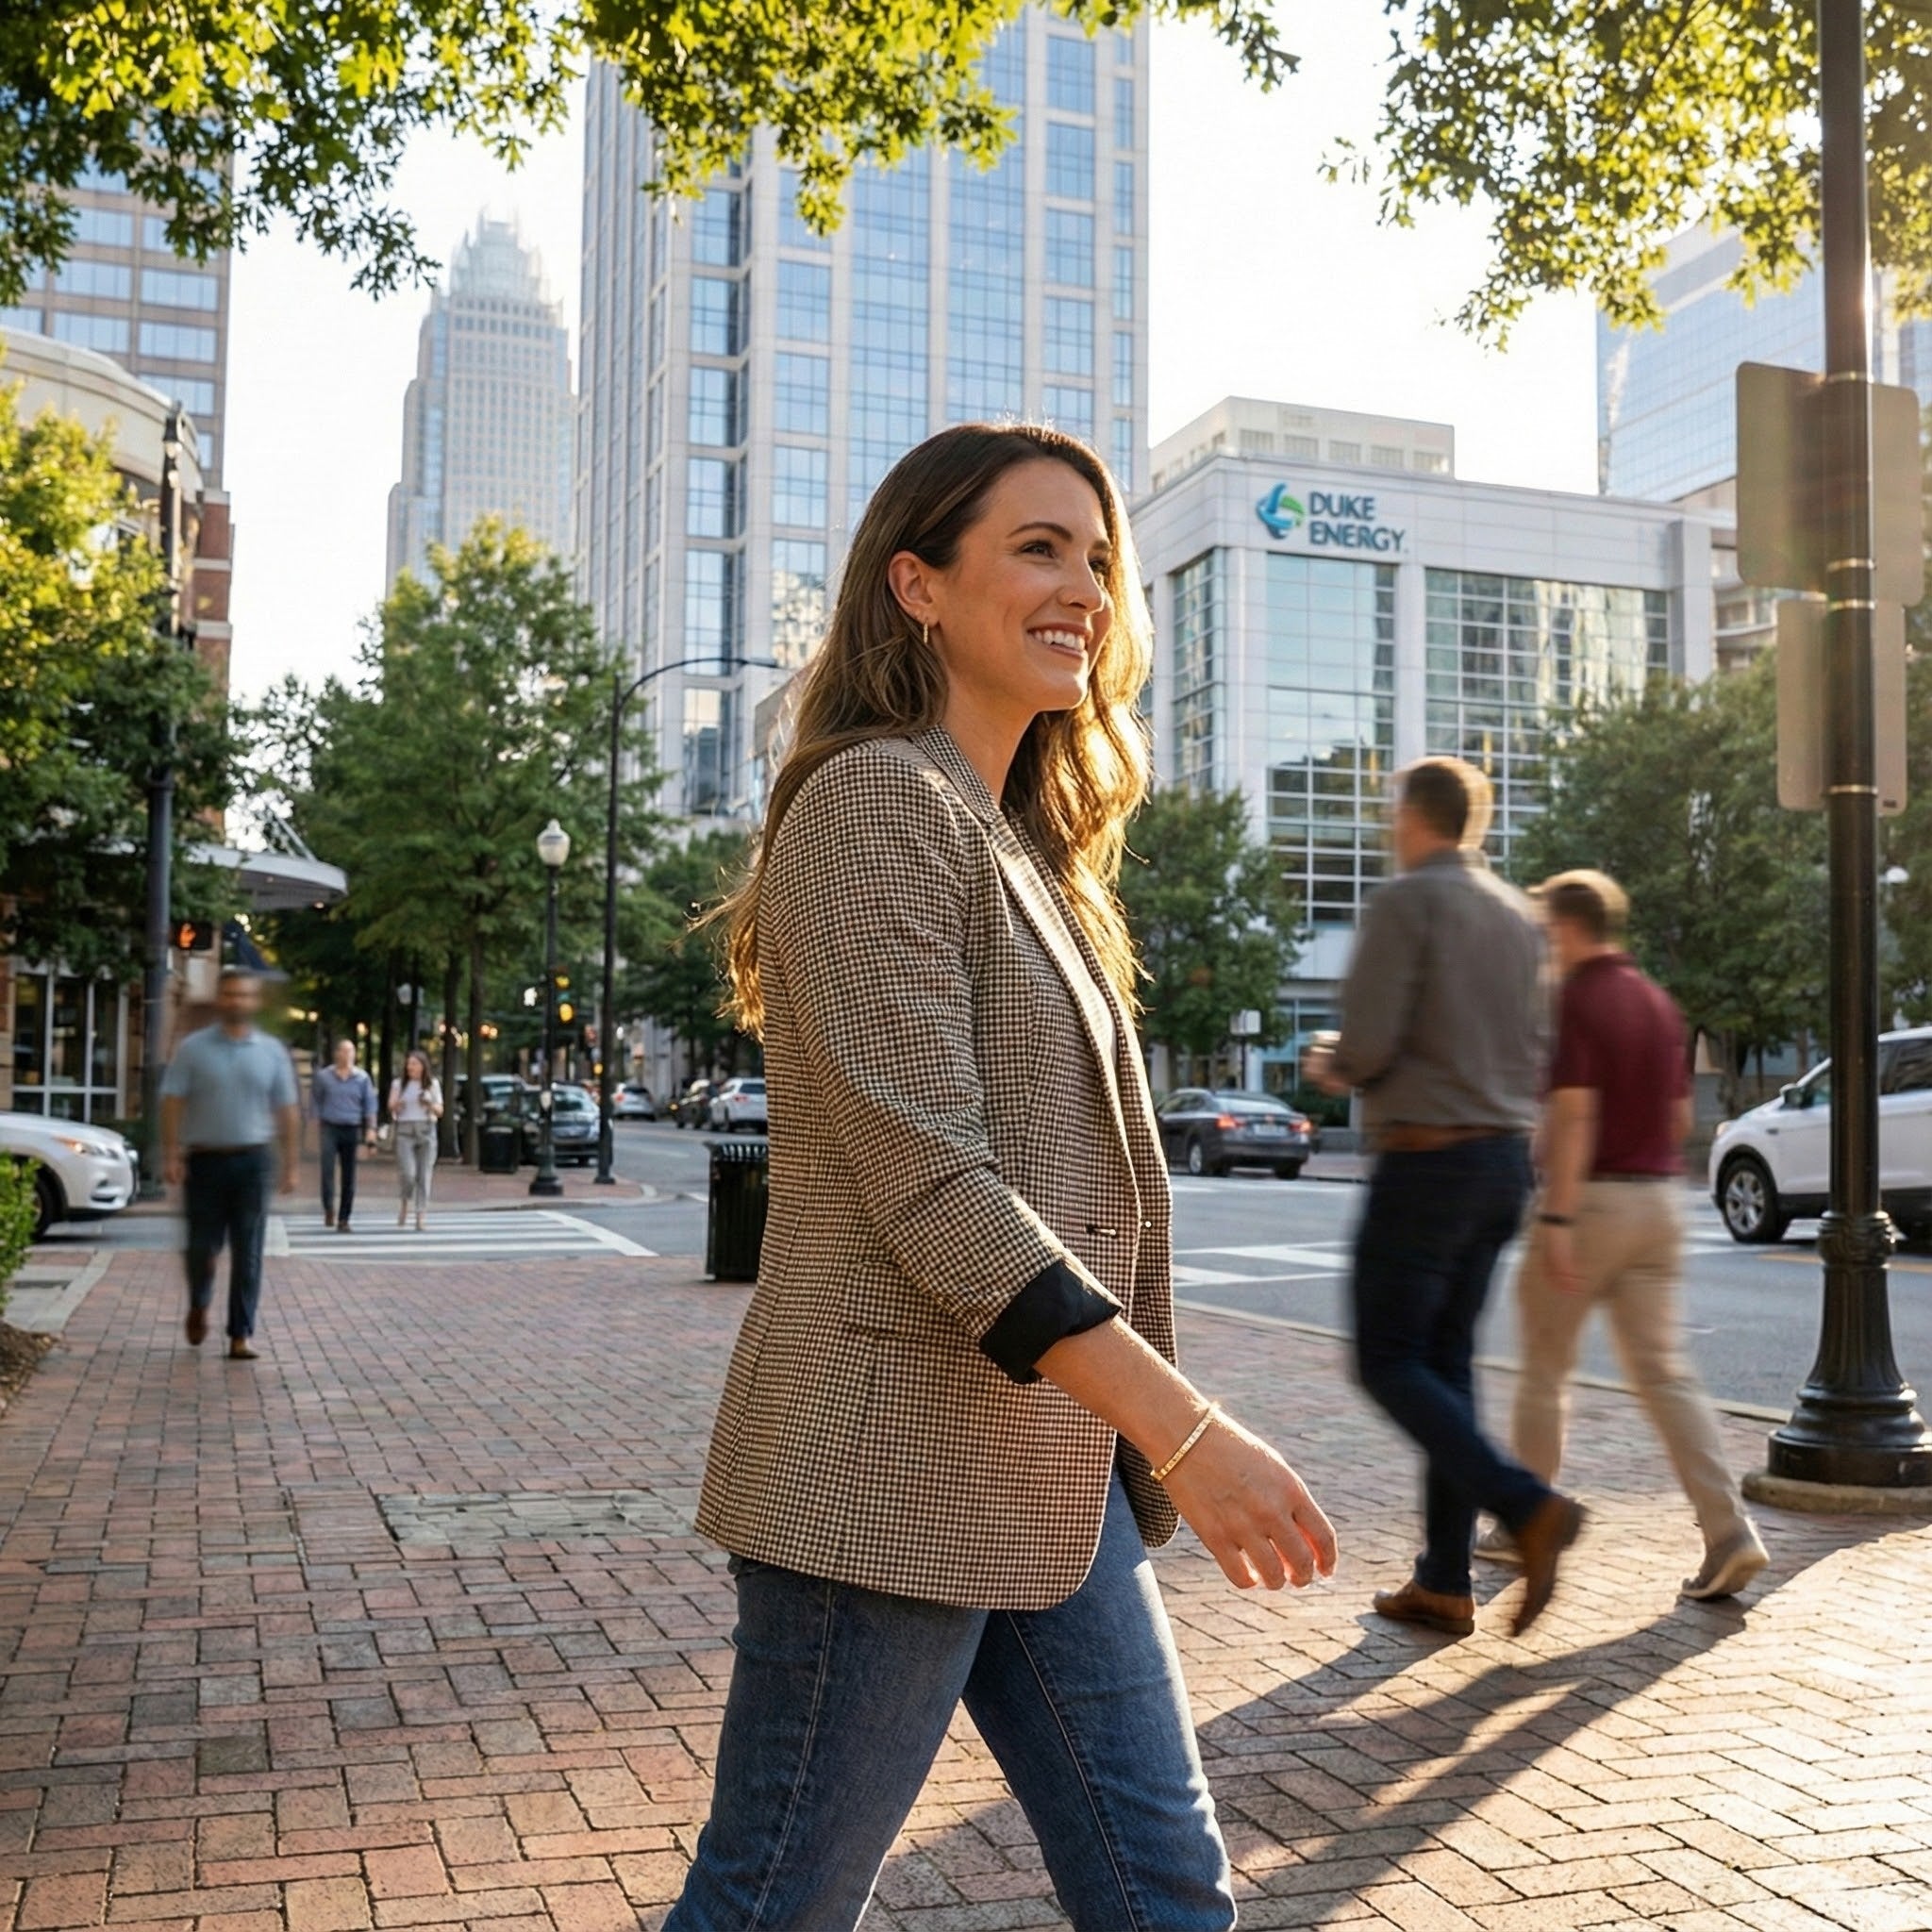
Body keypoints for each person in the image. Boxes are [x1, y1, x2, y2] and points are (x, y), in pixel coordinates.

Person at [664, 423, 1337, 1932]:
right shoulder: (872, 803)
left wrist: (1137, 1435)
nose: (1084, 589)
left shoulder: (1028, 844)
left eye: (1098, 559)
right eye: (1038, 549)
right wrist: (1189, 1434)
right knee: (776, 1903)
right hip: (884, 1469)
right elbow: (933, 1187)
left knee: (1167, 1892)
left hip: (1050, 1463)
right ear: (917, 583)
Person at [1305, 758, 1582, 1640]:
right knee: (1447, 1369)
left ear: (1412, 815)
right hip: (1503, 1166)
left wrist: (1332, 1063)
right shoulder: (1519, 917)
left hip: (1427, 1162)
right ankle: (1444, 1579)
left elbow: (1373, 1042)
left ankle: (1527, 1505)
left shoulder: (1407, 900)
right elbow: (1536, 1047)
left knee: (1388, 1361)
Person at [1478, 871, 1769, 1602]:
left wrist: (1558, 1217)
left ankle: (1525, 1524)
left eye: (1548, 927)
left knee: (1544, 1369)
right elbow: (1676, 1122)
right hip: (1659, 1205)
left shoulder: (1578, 998)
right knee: (1666, 1375)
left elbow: (1574, 1114)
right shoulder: (1656, 1003)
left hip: (1592, 1205)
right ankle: (1729, 1531)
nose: (1544, 940)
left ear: (1571, 928)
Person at [158, 968, 300, 1360]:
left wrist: (291, 1164)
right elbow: (172, 1101)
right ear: (221, 999)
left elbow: (287, 1109)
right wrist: (171, 1153)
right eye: (231, 994)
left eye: (245, 995)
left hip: (253, 1161)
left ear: (254, 1002)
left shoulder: (271, 1051)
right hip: (204, 1161)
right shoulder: (193, 1049)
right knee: (201, 1246)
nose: (237, 1001)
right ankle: (199, 1302)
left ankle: (240, 1333)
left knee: (248, 1249)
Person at [312, 1038, 376, 1233]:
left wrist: (370, 1132)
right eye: (344, 1051)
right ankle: (329, 1206)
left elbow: (369, 1107)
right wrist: (314, 1127)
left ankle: (344, 1218)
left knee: (349, 1175)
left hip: (351, 1128)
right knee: (327, 1171)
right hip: (329, 1127)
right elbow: (315, 1102)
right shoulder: (324, 1077)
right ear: (337, 1054)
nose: (348, 1056)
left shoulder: (362, 1078)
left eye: (351, 1052)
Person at [389, 1049, 443, 1231]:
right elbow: (391, 1106)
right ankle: (405, 1202)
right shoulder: (399, 1084)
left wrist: (429, 1104)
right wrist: (398, 1104)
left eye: (414, 1063)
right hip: (405, 1130)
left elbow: (440, 1110)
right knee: (408, 1173)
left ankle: (421, 1214)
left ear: (422, 1066)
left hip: (426, 1129)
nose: (410, 1067)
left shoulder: (431, 1084)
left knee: (424, 1175)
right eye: (409, 1063)